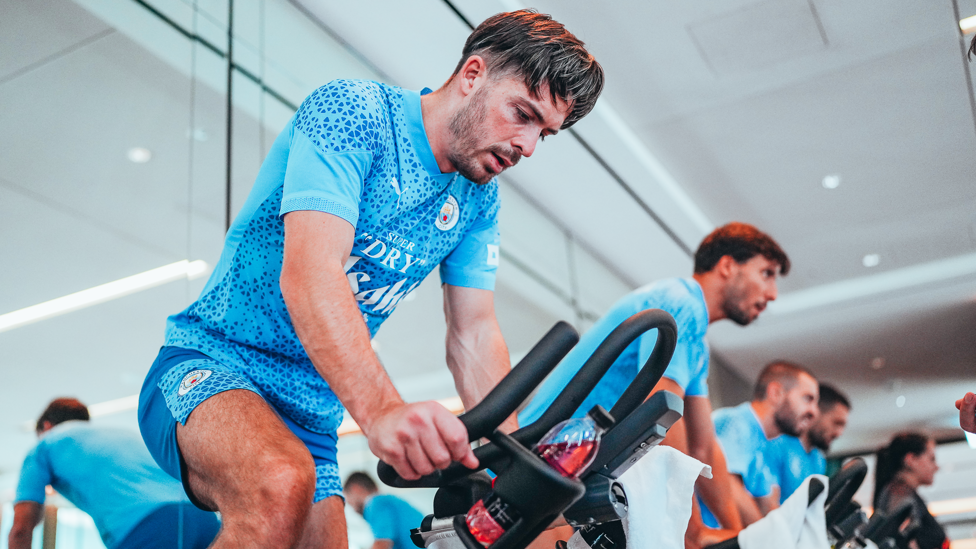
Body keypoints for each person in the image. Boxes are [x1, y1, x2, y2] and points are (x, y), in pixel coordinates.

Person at [137, 9, 604, 549]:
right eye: (522, 114)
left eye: (544, 133)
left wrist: (518, 464)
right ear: (472, 75)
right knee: (278, 483)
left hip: (312, 415)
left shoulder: (479, 199)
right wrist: (382, 411)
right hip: (214, 366)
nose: (528, 146)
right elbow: (310, 273)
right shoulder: (354, 112)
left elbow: (473, 332)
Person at [519, 222, 791, 547]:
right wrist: (693, 532)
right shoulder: (681, 304)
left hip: (568, 474)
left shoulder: (697, 343)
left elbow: (705, 447)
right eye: (767, 274)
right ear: (728, 265)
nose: (772, 294)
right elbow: (665, 421)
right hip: (537, 469)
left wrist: (737, 534)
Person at [9, 398, 219, 549]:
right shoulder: (121, 434)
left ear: (45, 426)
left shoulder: (45, 445)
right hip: (205, 518)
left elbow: (21, 529)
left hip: (147, 527)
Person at [703, 361, 819, 527]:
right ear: (776, 393)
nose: (814, 412)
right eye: (808, 399)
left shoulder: (764, 443)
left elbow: (766, 502)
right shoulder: (737, 423)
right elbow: (728, 484)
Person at [765, 382, 851, 503]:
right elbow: (766, 503)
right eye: (836, 423)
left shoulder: (819, 460)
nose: (839, 433)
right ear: (816, 412)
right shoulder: (778, 444)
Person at [874, 432, 948, 549]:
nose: (936, 467)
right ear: (911, 460)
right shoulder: (899, 496)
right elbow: (901, 542)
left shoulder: (905, 496)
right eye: (931, 459)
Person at [343, 472, 424, 549]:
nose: (352, 509)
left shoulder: (375, 503)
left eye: (349, 502)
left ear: (356, 488)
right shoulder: (388, 502)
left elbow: (382, 544)